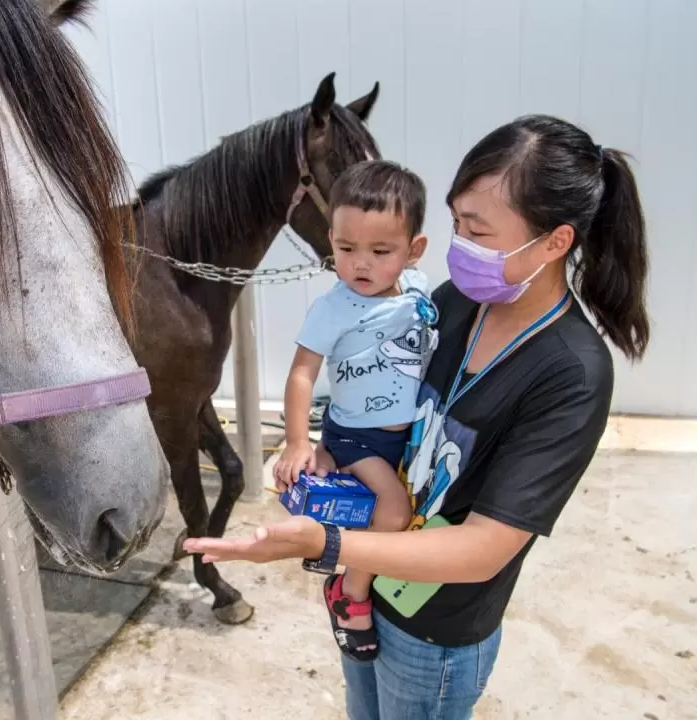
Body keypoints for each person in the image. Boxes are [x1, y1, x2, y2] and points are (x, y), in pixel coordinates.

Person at [185, 114, 649, 719]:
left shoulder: (571, 373)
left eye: (478, 232)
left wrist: (328, 543)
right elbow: (373, 390)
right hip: (366, 586)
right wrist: (330, 448)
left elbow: (485, 548)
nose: (459, 246)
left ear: (554, 242)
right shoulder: (454, 302)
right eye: (456, 223)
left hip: (436, 636)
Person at [274, 159, 438, 662]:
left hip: (406, 437)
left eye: (380, 251)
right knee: (394, 511)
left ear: (413, 251)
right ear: (331, 239)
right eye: (346, 249)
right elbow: (302, 373)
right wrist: (302, 442)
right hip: (359, 440)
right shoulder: (333, 308)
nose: (360, 264)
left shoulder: (419, 291)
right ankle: (350, 590)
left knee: (404, 514)